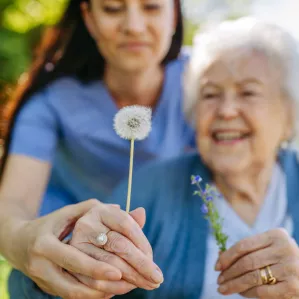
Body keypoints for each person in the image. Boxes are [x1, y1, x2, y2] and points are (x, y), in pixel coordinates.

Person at [66, 18, 299, 299]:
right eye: (210, 94)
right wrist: (74, 265)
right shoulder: (152, 188)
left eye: (248, 92)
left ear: (289, 115)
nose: (225, 111)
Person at [0, 0, 194, 298]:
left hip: (169, 261)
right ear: (88, 18)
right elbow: (10, 209)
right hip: (69, 261)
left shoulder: (205, 83)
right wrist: (26, 245)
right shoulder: (50, 102)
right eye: (113, 9)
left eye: (152, 7)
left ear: (174, 14)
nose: (133, 26)